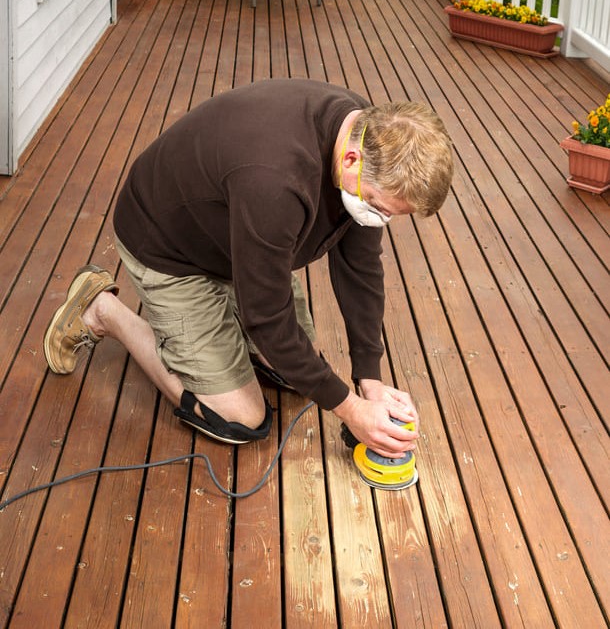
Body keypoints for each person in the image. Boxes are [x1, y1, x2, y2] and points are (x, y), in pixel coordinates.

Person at [44, 79, 453, 458]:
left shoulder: (371, 134)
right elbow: (268, 318)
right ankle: (103, 310)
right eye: (380, 209)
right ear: (350, 159)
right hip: (169, 248)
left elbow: (361, 267)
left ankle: (215, 325)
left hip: (236, 241)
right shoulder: (275, 181)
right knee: (240, 418)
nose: (380, 220)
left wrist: (370, 378)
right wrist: (351, 411)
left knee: (299, 377)